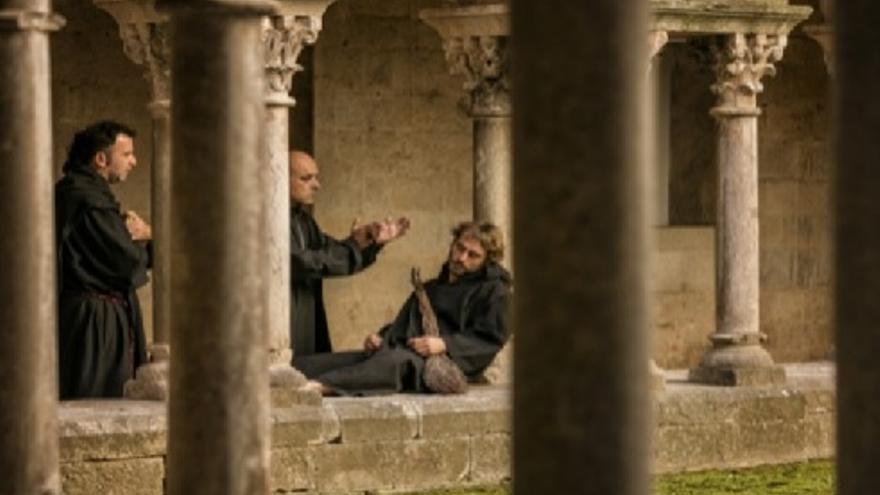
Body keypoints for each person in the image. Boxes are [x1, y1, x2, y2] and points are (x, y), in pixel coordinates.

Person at [293, 221, 512, 395]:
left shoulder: (496, 293)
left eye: (473, 255)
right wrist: (381, 338)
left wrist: (444, 344)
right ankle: (293, 374)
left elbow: (490, 339)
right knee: (329, 361)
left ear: (487, 261)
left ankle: (324, 386)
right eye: (459, 248)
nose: (461, 258)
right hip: (407, 352)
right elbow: (407, 326)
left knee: (395, 362)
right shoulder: (431, 288)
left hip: (444, 364)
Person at [55, 121, 152, 399]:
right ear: (100, 158)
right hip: (95, 324)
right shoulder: (88, 200)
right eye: (127, 154)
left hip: (87, 314)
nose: (133, 161)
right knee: (96, 395)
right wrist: (146, 237)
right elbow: (127, 261)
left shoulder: (78, 193)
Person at [289, 150, 410, 357]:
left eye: (316, 177)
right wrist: (353, 247)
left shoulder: (302, 218)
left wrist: (368, 241)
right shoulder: (265, 219)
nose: (317, 185)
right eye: (306, 178)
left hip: (304, 318)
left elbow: (329, 252)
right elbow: (304, 262)